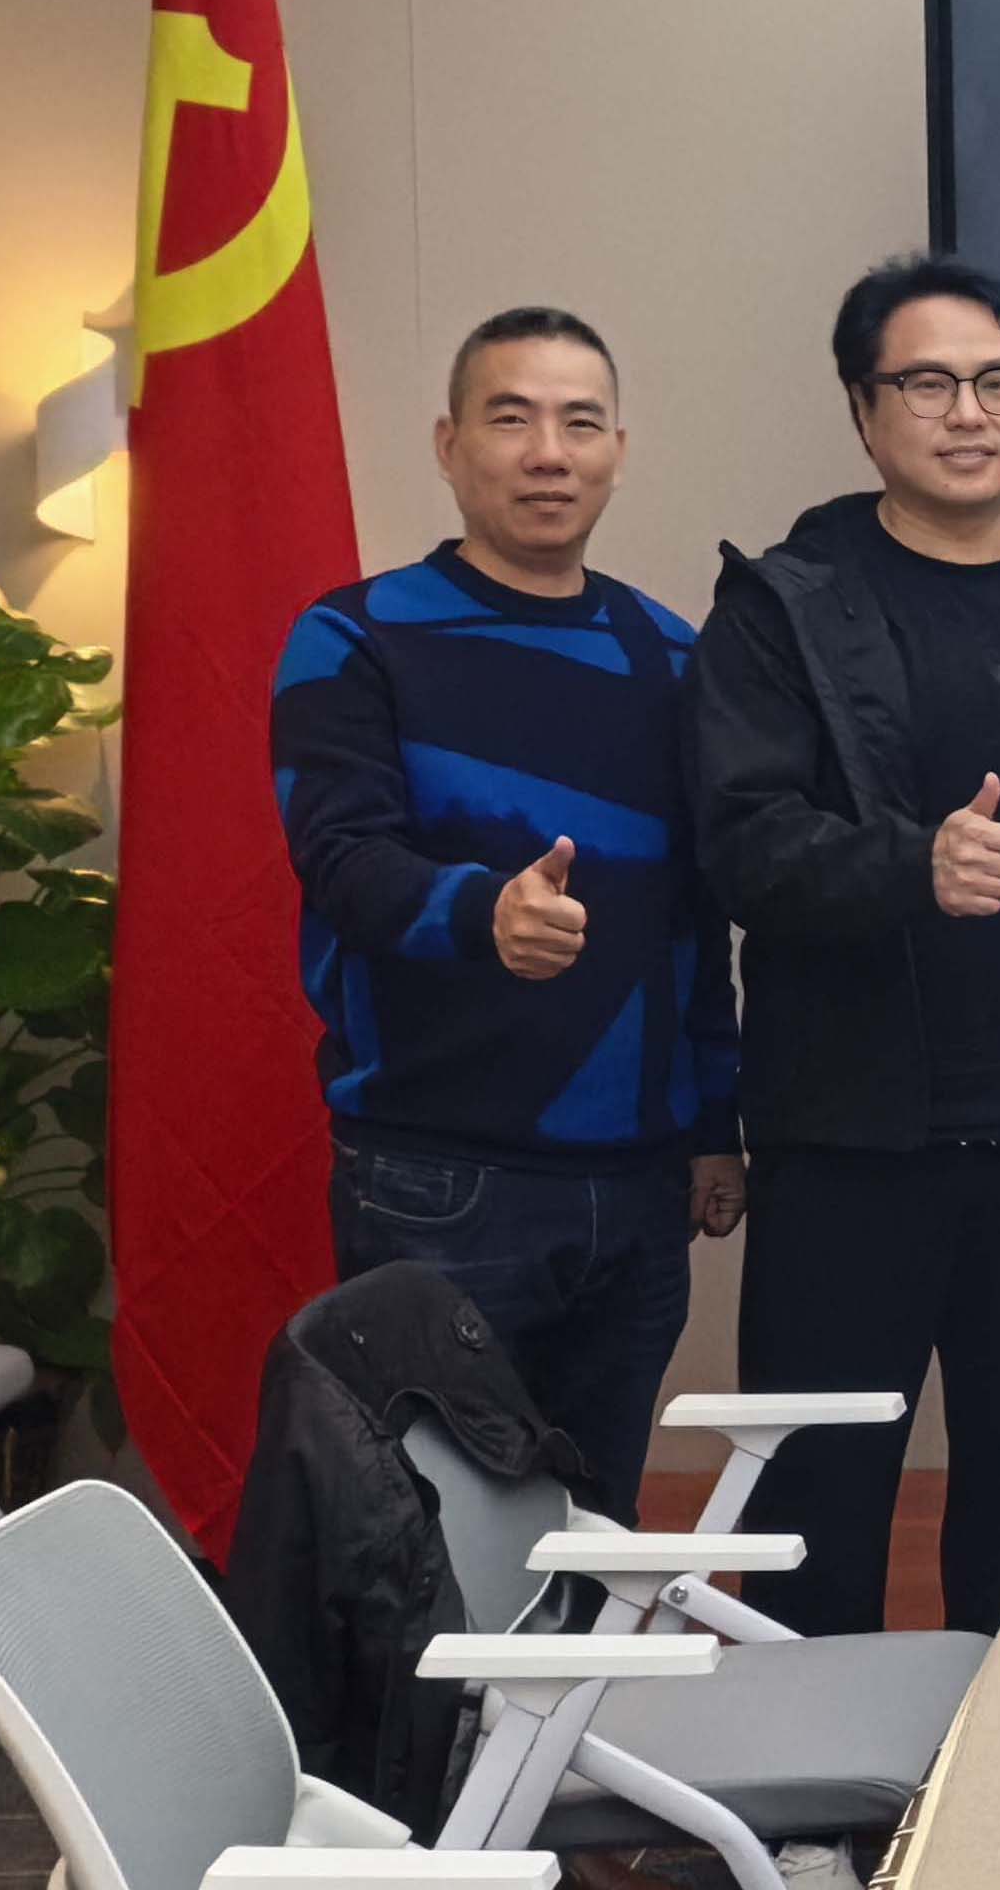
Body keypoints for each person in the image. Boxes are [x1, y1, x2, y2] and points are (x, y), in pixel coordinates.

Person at [684, 253, 1000, 1637]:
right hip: (855, 1142)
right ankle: (811, 1780)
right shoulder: (783, 606)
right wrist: (911, 865)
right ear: (863, 407)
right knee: (817, 1521)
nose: (968, 412)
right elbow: (739, 843)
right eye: (928, 383)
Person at [270, 307, 737, 1521]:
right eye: (511, 418)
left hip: (639, 1190)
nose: (548, 454)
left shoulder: (672, 656)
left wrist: (714, 1123)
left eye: (580, 424)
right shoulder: (354, 636)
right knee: (434, 1549)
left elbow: (696, 915)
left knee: (598, 1531)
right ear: (449, 444)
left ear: (617, 451)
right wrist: (483, 914)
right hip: (438, 1178)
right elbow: (342, 859)